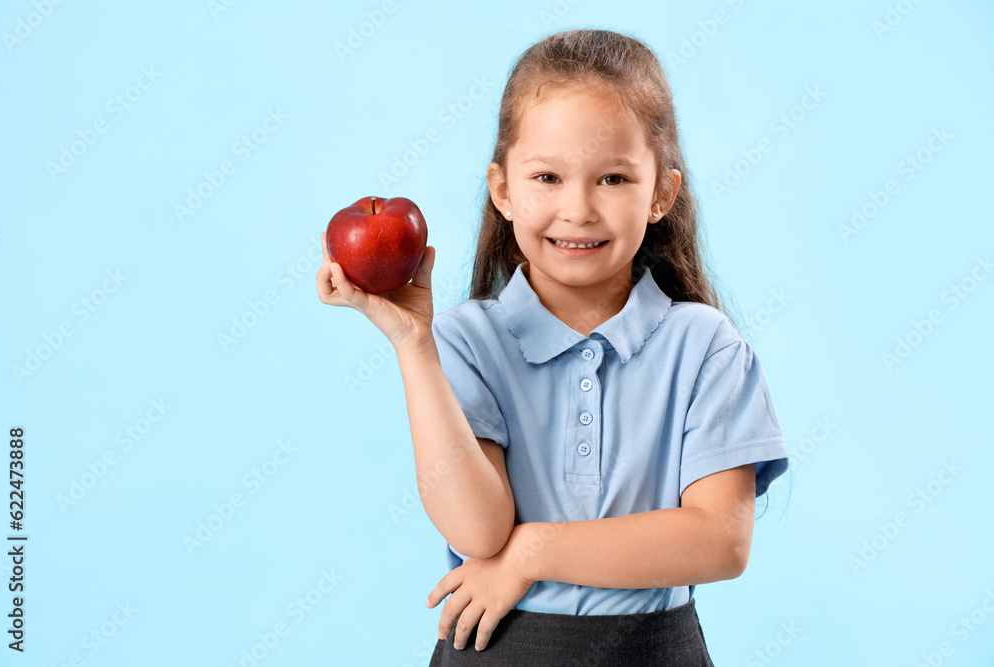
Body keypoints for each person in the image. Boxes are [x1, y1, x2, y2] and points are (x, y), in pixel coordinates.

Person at [317, 27, 790, 666]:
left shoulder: (704, 346)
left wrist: (533, 553)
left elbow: (720, 541)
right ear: (503, 190)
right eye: (546, 176)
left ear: (662, 195)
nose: (578, 209)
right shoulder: (465, 341)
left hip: (653, 651)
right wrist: (413, 346)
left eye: (614, 178)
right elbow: (478, 531)